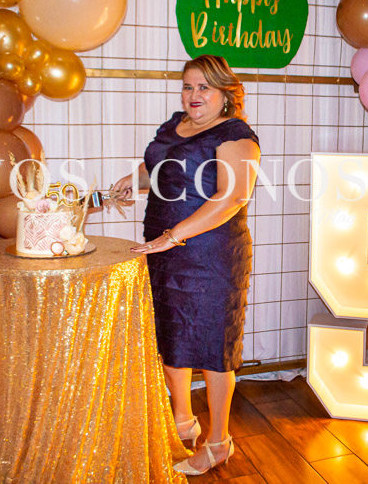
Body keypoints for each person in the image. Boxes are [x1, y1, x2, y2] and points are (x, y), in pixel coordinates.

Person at [111, 55, 260, 476]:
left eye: (204, 87)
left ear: (225, 94)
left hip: (210, 254)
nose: (194, 95)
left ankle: (219, 442)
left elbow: (232, 197)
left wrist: (174, 235)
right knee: (171, 336)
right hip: (163, 250)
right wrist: (133, 179)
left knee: (213, 347)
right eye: (188, 86)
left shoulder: (236, 135)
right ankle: (182, 420)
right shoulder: (175, 125)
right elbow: (160, 168)